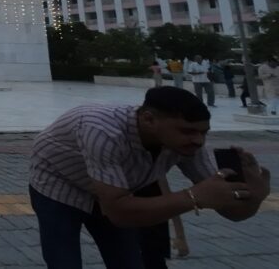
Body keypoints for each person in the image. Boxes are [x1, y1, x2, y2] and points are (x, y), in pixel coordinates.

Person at [29, 87, 271, 268]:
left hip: (118, 192)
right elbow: (119, 213)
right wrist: (194, 197)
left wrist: (255, 194)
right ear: (148, 119)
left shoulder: (187, 145)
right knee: (64, 261)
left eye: (203, 133)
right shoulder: (102, 129)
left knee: (129, 262)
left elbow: (233, 213)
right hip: (59, 185)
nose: (197, 141)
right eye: (187, 131)